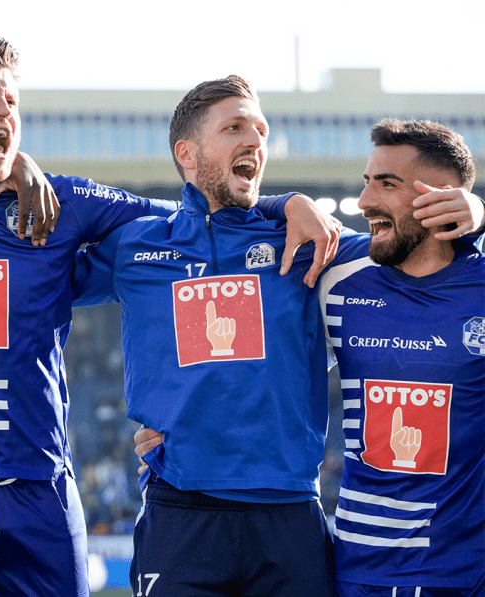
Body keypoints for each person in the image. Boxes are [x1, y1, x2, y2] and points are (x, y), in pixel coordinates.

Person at [0, 37, 340, 597]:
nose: (2, 111)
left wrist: (285, 203)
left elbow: (197, 217)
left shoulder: (62, 204)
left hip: (40, 490)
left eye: (11, 101)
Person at [72, 76, 483, 596]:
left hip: (290, 516)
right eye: (235, 128)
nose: (255, 141)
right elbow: (39, 280)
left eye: (261, 131)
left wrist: (477, 214)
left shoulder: (313, 245)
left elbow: (417, 248)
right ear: (187, 152)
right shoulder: (138, 245)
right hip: (181, 511)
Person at [320, 119, 483, 596]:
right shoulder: (337, 274)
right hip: (357, 572)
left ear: (443, 198)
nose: (364, 200)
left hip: (464, 577)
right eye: (367, 181)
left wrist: (481, 212)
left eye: (387, 184)